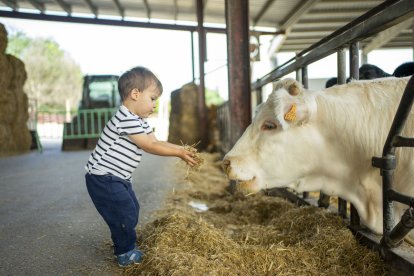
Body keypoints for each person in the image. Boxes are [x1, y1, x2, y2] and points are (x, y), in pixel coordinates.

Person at [84, 66, 197, 267]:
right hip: (103, 177)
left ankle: (123, 239)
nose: (154, 104)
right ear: (135, 94)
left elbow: (157, 141)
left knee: (131, 210)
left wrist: (182, 149)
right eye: (152, 98)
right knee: (125, 213)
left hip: (118, 177)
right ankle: (125, 254)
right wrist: (179, 153)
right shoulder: (125, 118)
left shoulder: (139, 121)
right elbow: (149, 146)